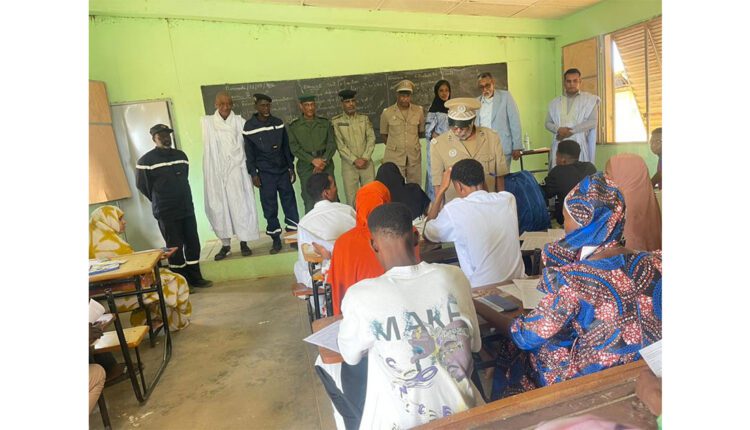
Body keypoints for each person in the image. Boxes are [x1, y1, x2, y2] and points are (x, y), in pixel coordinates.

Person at [493, 173, 662, 398]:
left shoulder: (575, 278)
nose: (564, 226)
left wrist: (500, 318)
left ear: (585, 225)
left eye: (566, 218)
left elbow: (527, 336)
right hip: (653, 365)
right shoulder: (657, 260)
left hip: (597, 380)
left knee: (517, 349)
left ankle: (514, 405)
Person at [338, 202, 483, 429]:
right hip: (467, 415)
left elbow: (350, 356)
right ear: (416, 237)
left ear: (373, 245)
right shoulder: (455, 276)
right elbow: (474, 345)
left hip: (403, 423)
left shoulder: (360, 296)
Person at [424, 159, 524, 287]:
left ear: (459, 186)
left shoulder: (454, 209)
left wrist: (441, 191)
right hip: (517, 284)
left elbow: (427, 234)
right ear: (483, 180)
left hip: (481, 290)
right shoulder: (508, 199)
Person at [90, 205, 192, 330]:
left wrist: (157, 254)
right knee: (177, 280)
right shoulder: (113, 245)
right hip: (124, 295)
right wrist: (156, 257)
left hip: (98, 300)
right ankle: (178, 322)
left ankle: (146, 320)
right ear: (109, 221)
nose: (124, 222)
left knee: (161, 276)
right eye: (120, 219)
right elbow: (136, 268)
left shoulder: (93, 243)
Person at [136, 124, 213, 288]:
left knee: (193, 243)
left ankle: (196, 278)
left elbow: (184, 177)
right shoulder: (145, 161)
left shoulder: (181, 156)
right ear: (154, 139)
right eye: (161, 136)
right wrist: (159, 199)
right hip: (166, 212)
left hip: (186, 207)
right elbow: (143, 186)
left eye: (167, 135)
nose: (166, 138)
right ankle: (182, 283)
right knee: (174, 247)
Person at [202, 91, 260, 260]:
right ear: (216, 105)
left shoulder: (240, 122)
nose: (226, 107)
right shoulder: (207, 123)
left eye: (229, 104)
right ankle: (225, 245)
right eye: (222, 104)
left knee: (241, 205)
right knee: (220, 208)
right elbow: (209, 150)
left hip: (237, 171)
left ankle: (244, 242)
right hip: (217, 173)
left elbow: (246, 147)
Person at [243, 93, 300, 255]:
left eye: (268, 105)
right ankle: (276, 240)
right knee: (270, 207)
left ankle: (293, 238)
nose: (266, 108)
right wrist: (253, 174)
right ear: (256, 106)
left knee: (290, 204)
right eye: (262, 105)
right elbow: (249, 153)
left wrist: (291, 167)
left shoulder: (278, 123)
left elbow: (286, 148)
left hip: (282, 171)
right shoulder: (249, 127)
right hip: (265, 174)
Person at [327, 180, 391, 316]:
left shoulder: (344, 242)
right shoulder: (402, 233)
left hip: (355, 316)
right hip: (396, 312)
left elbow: (337, 288)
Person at [430, 97, 508, 203]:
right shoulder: (438, 145)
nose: (457, 131)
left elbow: (500, 177)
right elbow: (438, 186)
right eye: (453, 127)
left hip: (487, 205)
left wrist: (501, 203)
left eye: (462, 127)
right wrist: (440, 211)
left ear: (472, 121)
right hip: (457, 208)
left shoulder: (491, 138)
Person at [294, 173, 356, 289]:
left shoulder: (304, 223)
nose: (336, 188)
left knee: (298, 266)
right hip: (353, 269)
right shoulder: (348, 210)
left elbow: (305, 262)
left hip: (327, 277)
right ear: (326, 193)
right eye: (334, 186)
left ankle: (322, 299)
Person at [288, 94, 338, 213]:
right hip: (306, 166)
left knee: (331, 196)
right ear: (301, 107)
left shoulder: (325, 123)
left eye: (312, 105)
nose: (310, 108)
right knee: (309, 198)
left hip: (326, 164)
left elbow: (332, 144)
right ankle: (313, 223)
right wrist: (313, 160)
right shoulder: (294, 126)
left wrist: (323, 161)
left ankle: (334, 221)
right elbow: (294, 147)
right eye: (307, 105)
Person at [605, 153, 662, 251]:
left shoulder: (618, 212)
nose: (605, 178)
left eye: (608, 173)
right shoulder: (651, 204)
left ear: (622, 177)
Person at [545, 68, 600, 169]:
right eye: (568, 81)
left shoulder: (589, 100)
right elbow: (547, 123)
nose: (572, 84)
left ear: (580, 81)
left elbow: (593, 122)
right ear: (564, 83)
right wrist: (558, 129)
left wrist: (572, 131)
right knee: (559, 175)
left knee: (578, 175)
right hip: (560, 145)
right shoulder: (555, 103)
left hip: (579, 145)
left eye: (575, 81)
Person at [331, 89, 376, 206]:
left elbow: (371, 139)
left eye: (353, 101)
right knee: (351, 199)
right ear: (342, 104)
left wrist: (365, 158)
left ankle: (370, 217)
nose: (351, 104)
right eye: (347, 102)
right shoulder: (336, 122)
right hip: (349, 165)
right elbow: (340, 145)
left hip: (367, 163)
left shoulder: (364, 119)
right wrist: (355, 160)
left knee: (371, 195)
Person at [380, 79, 426, 185]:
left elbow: (420, 132)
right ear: (397, 95)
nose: (405, 99)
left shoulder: (418, 111)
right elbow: (384, 135)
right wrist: (397, 146)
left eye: (408, 96)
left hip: (413, 157)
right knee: (394, 186)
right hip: (394, 157)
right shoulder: (387, 113)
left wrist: (410, 144)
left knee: (415, 186)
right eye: (402, 96)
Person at [542, 139, 597, 225]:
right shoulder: (590, 168)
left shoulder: (557, 172)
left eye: (557, 157)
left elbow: (545, 193)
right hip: (592, 218)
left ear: (563, 160)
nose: (555, 160)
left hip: (568, 221)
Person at [475, 72, 523, 169]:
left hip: (502, 146)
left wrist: (517, 146)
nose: (485, 89)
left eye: (487, 85)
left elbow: (514, 121)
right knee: (486, 177)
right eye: (482, 87)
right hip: (483, 149)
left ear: (493, 82)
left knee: (502, 176)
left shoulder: (505, 97)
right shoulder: (476, 102)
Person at [425, 80, 452, 200]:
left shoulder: (453, 108)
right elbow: (429, 132)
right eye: (441, 90)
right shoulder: (433, 110)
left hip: (451, 149)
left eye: (446, 90)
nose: (444, 93)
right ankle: (436, 204)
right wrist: (442, 142)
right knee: (436, 178)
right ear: (436, 92)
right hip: (437, 148)